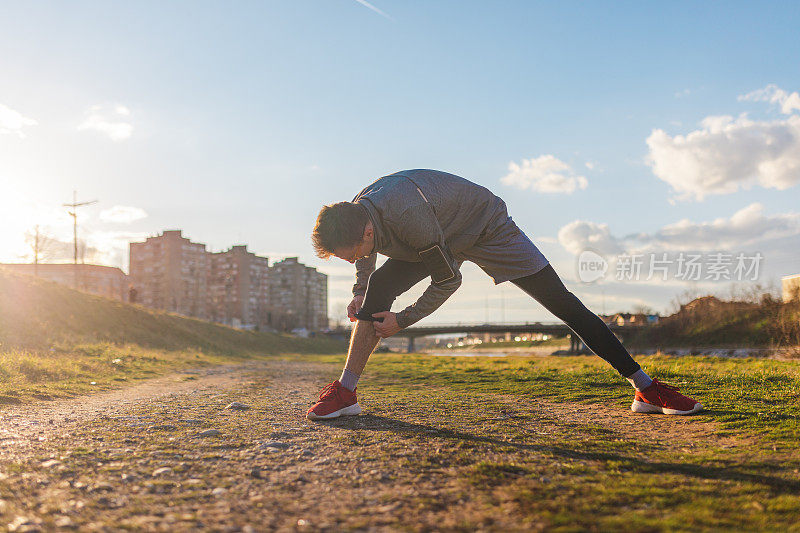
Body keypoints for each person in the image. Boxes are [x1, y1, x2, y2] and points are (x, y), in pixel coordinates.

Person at [307, 169, 702, 420]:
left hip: (485, 227)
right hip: (433, 234)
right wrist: (362, 289)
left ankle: (646, 388)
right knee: (376, 292)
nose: (350, 260)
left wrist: (404, 320)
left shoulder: (405, 218)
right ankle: (346, 391)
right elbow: (366, 257)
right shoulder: (360, 215)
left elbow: (447, 281)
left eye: (349, 254)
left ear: (367, 232)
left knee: (561, 302)